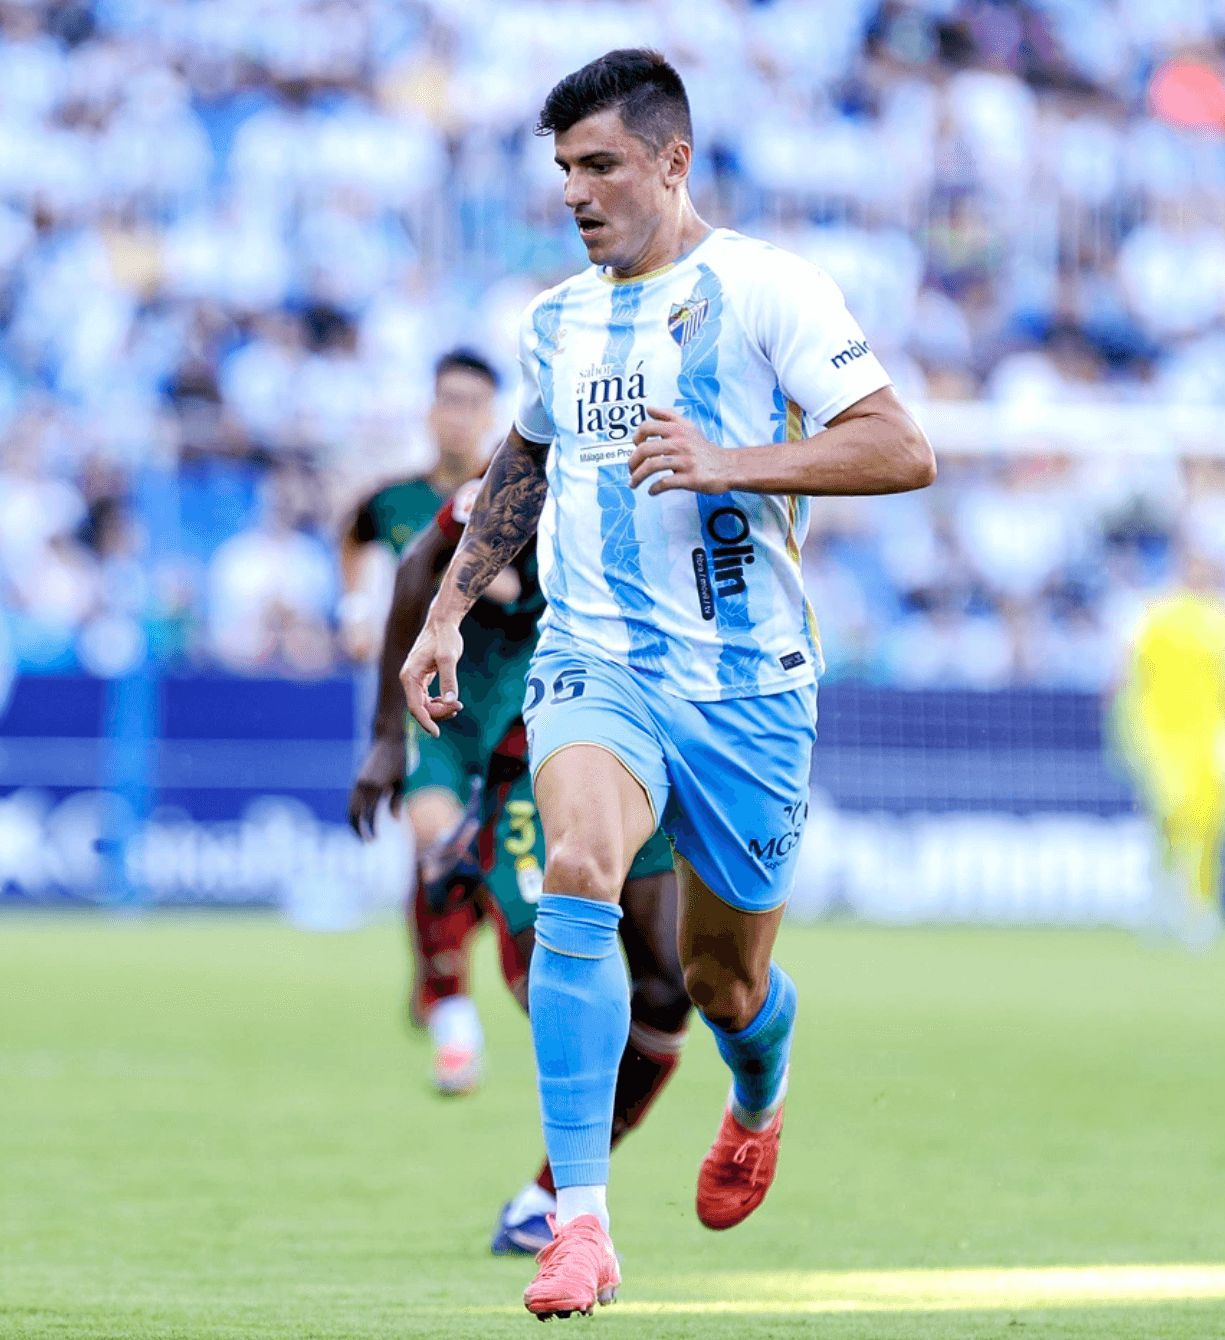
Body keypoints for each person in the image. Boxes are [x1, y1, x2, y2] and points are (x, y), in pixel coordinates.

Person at [397, 49, 936, 1319]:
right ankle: (578, 1224)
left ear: (672, 160)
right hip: (596, 662)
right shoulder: (558, 320)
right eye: (564, 170)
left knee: (721, 982)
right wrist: (447, 609)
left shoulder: (766, 289)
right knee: (577, 866)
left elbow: (901, 446)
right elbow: (524, 461)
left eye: (601, 166)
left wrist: (729, 459)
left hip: (749, 686)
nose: (577, 193)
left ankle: (758, 1084)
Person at [351, 478, 690, 1257]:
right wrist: (384, 734)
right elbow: (411, 572)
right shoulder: (525, 483)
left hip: (642, 747)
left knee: (670, 988)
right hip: (529, 762)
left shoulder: (669, 467)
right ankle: (449, 991)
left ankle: (543, 1196)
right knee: (564, 996)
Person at [340, 351, 509, 1094]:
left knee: (502, 863)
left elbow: (518, 584)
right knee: (436, 843)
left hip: (512, 704)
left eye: (473, 401)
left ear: (493, 411)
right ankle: (454, 1019)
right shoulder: (396, 500)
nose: (458, 414)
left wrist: (471, 580)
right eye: (448, 399)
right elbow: (354, 534)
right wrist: (355, 607)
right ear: (430, 408)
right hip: (432, 711)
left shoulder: (515, 493)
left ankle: (443, 972)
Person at [1110, 548, 1225, 950]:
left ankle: (1201, 908)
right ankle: (1163, 898)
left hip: (1210, 735)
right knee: (1171, 812)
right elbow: (1127, 673)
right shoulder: (1152, 614)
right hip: (1160, 733)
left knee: (1208, 821)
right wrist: (1123, 728)